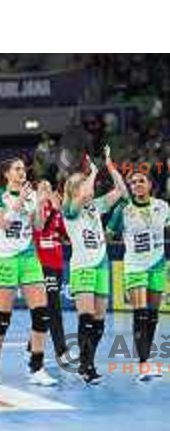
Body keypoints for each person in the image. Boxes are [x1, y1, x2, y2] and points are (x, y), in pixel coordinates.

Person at [0, 157, 56, 386]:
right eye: (16, 169)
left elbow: (37, 226)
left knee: (41, 313)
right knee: (2, 317)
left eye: (23, 168)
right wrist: (20, 202)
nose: (22, 172)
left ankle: (36, 367)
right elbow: (2, 224)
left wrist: (39, 204)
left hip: (28, 258)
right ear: (7, 173)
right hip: (6, 259)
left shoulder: (32, 195)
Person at [62, 146, 127, 384]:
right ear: (73, 189)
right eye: (82, 184)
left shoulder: (95, 206)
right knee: (86, 317)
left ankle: (88, 360)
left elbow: (121, 190)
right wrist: (92, 173)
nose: (88, 187)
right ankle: (86, 366)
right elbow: (81, 197)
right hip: (82, 267)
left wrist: (110, 167)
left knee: (99, 320)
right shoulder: (69, 209)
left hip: (101, 265)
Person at [107, 170, 169, 381]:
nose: (136, 185)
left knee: (152, 316)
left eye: (141, 181)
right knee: (140, 313)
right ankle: (142, 364)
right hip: (134, 266)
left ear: (150, 185)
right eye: (132, 183)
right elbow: (107, 235)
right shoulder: (123, 210)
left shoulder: (163, 206)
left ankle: (147, 359)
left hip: (158, 266)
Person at [31, 180, 69, 359]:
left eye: (49, 187)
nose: (47, 190)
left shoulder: (56, 209)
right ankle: (61, 350)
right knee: (54, 306)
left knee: (48, 306)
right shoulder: (34, 208)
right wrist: (54, 209)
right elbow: (41, 227)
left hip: (58, 263)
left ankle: (32, 343)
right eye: (42, 187)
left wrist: (62, 210)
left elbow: (65, 233)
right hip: (43, 264)